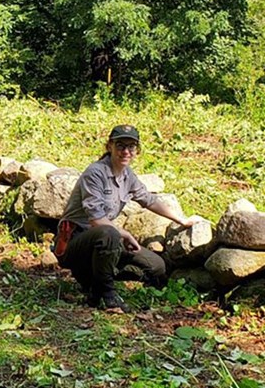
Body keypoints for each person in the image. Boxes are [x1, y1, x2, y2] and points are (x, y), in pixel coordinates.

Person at [54, 124, 198, 312]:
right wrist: (125, 234)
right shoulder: (95, 173)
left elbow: (149, 200)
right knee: (109, 233)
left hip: (105, 243)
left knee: (156, 267)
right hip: (76, 243)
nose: (126, 151)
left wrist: (182, 219)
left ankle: (95, 279)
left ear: (137, 150)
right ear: (109, 146)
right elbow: (96, 220)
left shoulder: (127, 175)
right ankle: (106, 294)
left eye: (131, 147)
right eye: (120, 145)